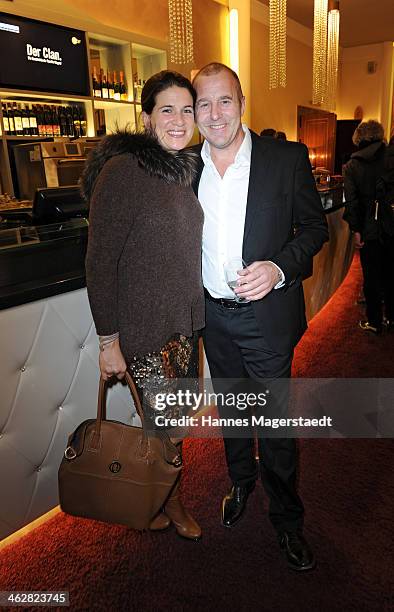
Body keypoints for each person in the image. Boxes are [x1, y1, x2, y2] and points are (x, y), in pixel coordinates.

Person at [191, 62, 328, 570]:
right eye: (203, 103)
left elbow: (315, 230)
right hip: (213, 317)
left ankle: (288, 520)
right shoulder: (186, 169)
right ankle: (240, 483)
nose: (215, 113)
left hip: (266, 317)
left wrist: (278, 268)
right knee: (231, 412)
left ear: (242, 102)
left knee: (273, 423)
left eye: (224, 100)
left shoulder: (285, 159)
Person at [81, 70, 205, 541]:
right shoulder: (124, 171)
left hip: (186, 326)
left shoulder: (182, 169)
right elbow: (99, 263)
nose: (178, 120)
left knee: (175, 420)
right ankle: (169, 503)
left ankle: (158, 494)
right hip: (146, 332)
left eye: (186, 109)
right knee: (166, 427)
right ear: (146, 116)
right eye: (166, 109)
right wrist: (108, 341)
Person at [343, 120, 393, 334]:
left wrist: (356, 230)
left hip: (368, 227)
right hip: (391, 223)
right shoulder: (390, 157)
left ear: (359, 138)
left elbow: (352, 202)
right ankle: (391, 317)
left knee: (371, 276)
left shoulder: (353, 165)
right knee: (391, 273)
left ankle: (374, 321)